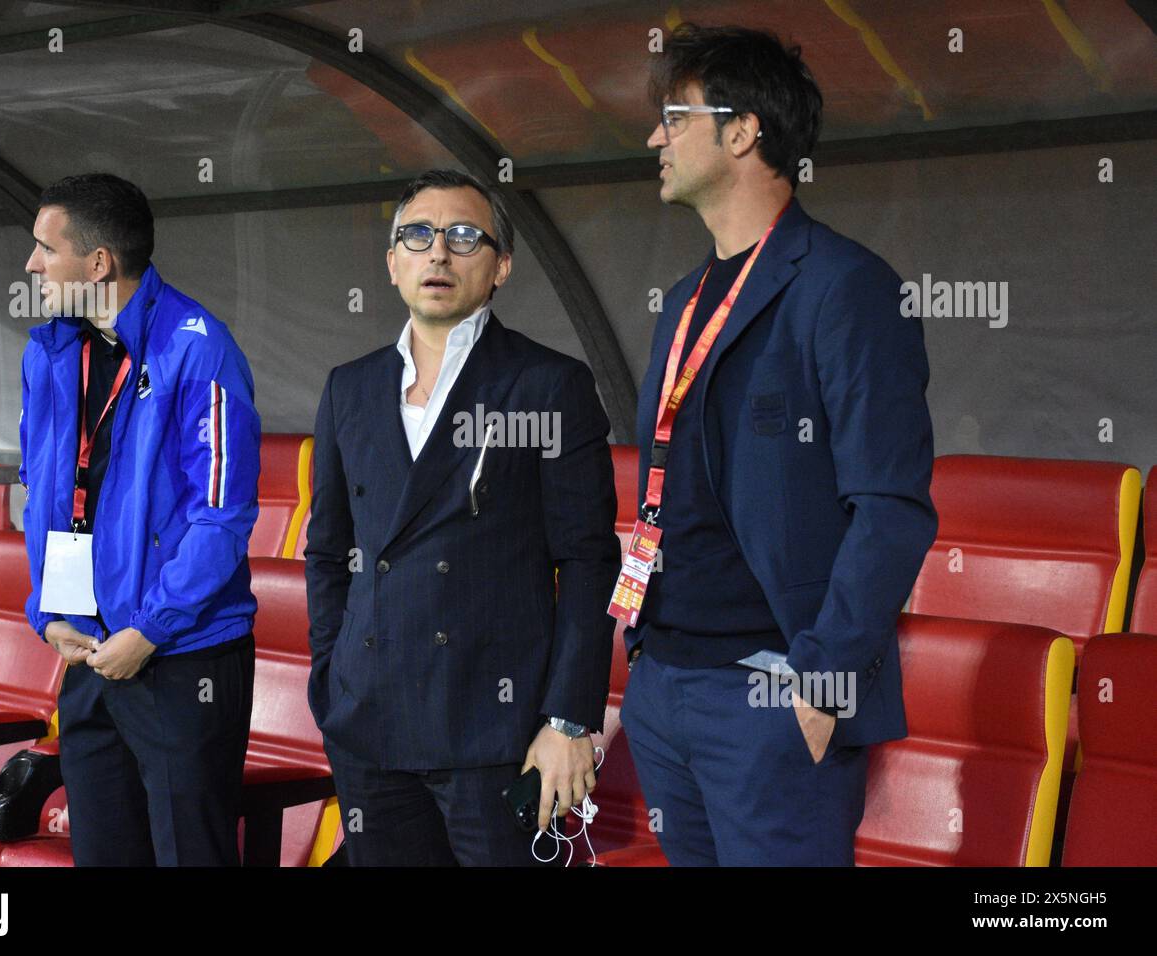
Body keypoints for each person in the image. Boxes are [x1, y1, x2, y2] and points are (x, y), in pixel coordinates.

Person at [619, 25, 937, 865]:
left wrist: (822, 679)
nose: (656, 136)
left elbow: (891, 507)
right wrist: (641, 655)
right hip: (661, 684)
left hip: (768, 693)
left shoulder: (846, 287)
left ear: (743, 130)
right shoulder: (683, 298)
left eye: (675, 116)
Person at [305, 169, 621, 866]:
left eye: (464, 236)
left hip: (494, 728)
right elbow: (328, 552)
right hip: (368, 723)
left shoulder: (547, 384)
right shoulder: (348, 388)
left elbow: (590, 559)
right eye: (416, 236)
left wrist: (567, 718)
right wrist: (330, 679)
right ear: (392, 263)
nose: (438, 253)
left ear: (501, 265)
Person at [19, 173, 261, 866]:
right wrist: (48, 609)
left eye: (44, 249)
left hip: (179, 659)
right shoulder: (50, 351)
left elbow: (221, 518)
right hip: (91, 656)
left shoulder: (199, 347)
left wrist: (149, 630)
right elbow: (44, 492)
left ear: (98, 264)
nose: (31, 265)